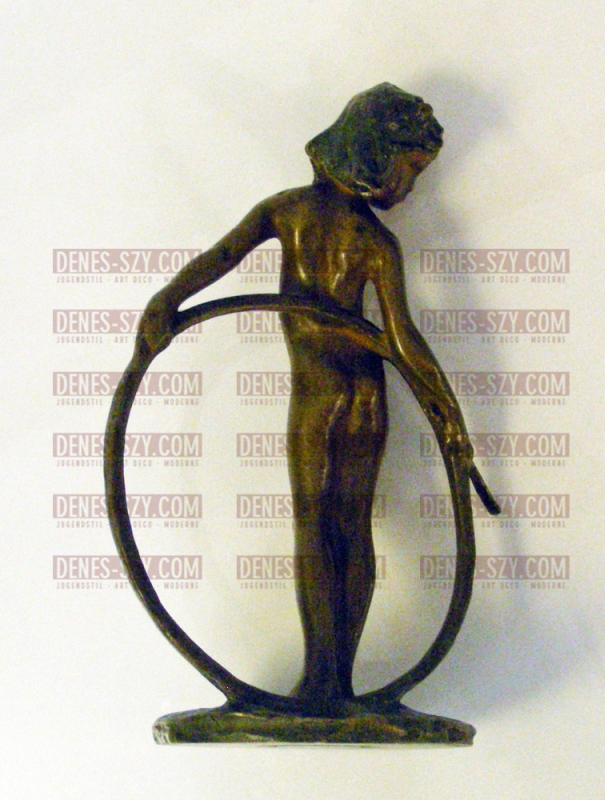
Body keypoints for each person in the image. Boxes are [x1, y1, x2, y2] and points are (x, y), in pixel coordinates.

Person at [140, 83, 472, 715]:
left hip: (322, 397)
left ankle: (325, 681)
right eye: (408, 170)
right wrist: (167, 302)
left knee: (317, 528)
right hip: (364, 397)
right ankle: (332, 681)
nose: (409, 188)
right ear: (373, 154)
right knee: (348, 527)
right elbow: (401, 340)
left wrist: (168, 300)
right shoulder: (371, 240)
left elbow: (221, 258)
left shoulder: (288, 212)